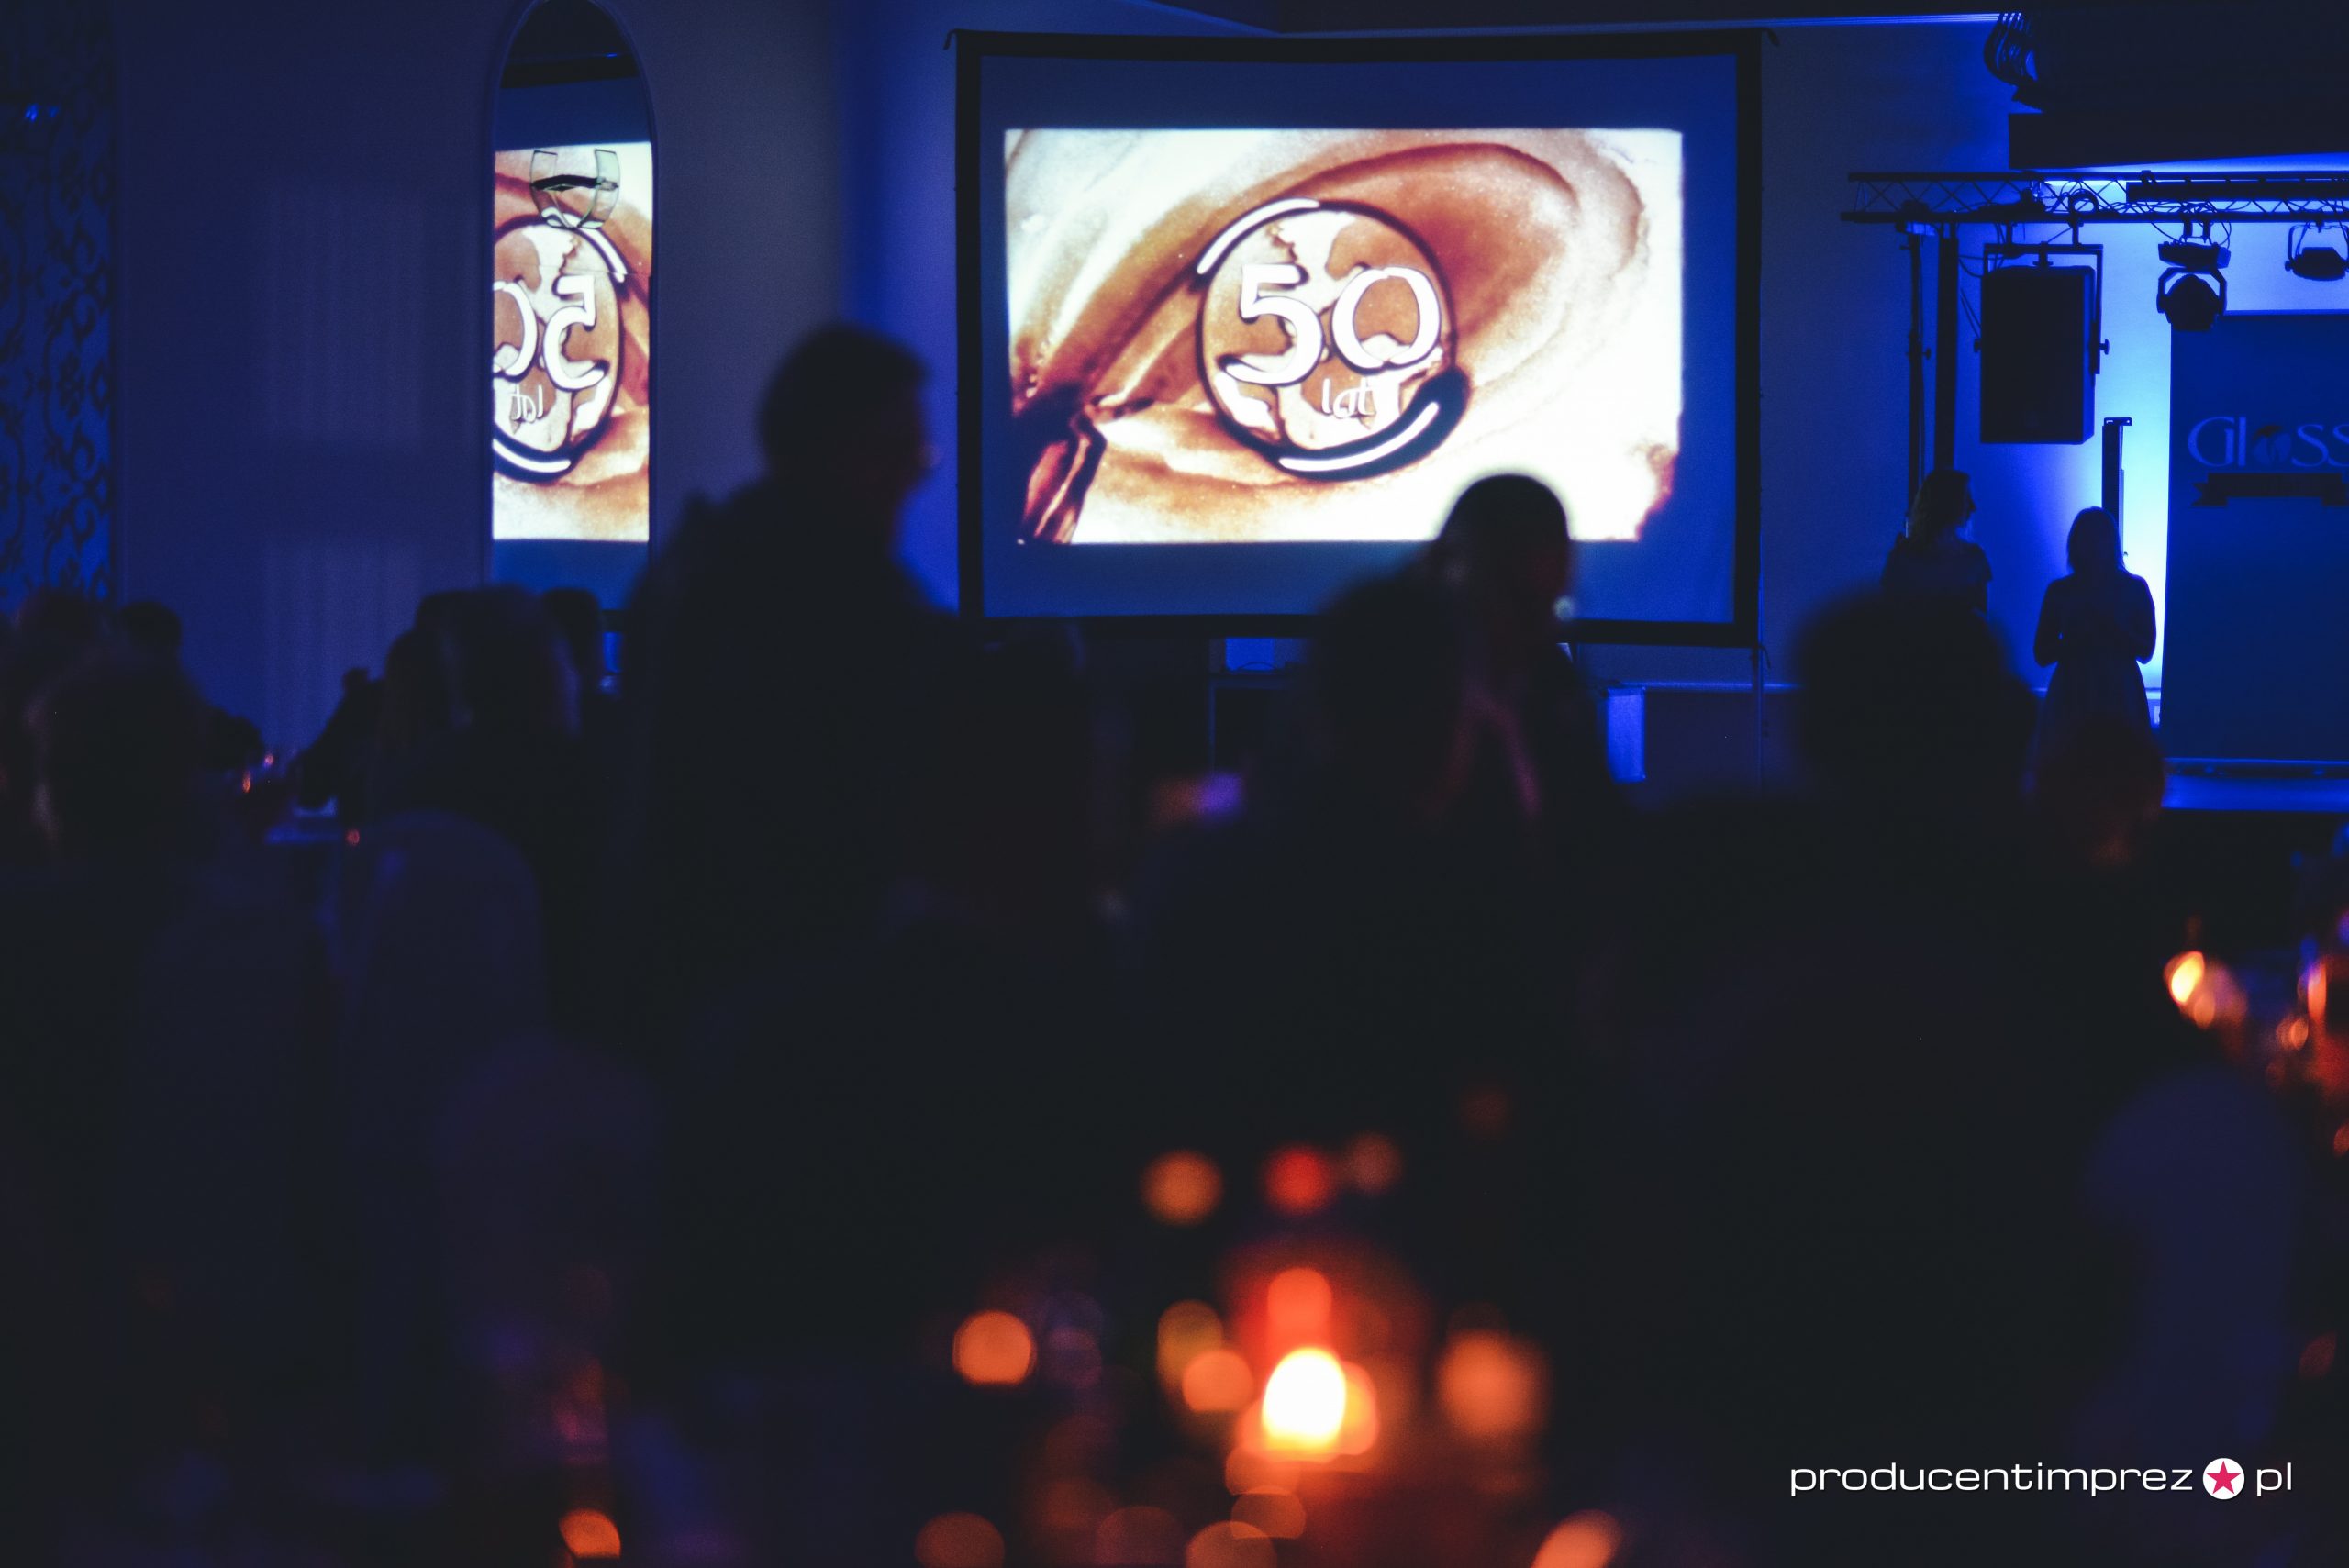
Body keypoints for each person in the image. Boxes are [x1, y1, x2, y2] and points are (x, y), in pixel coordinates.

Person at [2032, 506, 2157, 749]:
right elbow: (2146, 651)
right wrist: (2114, 631)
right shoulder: (2134, 588)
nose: (2092, 547)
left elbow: (2042, 654)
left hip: (2074, 688)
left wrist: (2078, 639)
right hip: (2119, 691)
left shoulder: (2061, 591)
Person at [1881, 467, 1992, 617]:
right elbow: (1981, 618)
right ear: (1947, 502)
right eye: (1966, 498)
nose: (1973, 507)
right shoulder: (1974, 558)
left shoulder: (1902, 555)